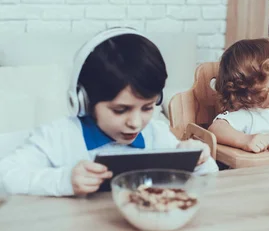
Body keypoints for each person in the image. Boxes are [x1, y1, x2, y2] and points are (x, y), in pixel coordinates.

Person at [0, 27, 218, 197]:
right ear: (83, 101)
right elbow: (6, 176)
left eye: (147, 107)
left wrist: (200, 159)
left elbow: (209, 181)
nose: (135, 122)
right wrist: (64, 180)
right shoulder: (58, 136)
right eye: (120, 110)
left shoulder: (156, 134)